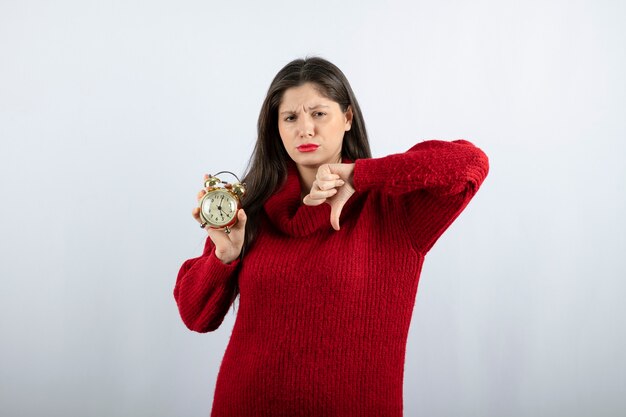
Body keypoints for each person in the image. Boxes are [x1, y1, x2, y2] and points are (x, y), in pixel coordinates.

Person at [174, 57, 489, 417]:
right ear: (275, 128)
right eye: (290, 118)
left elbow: (471, 162)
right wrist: (224, 257)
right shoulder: (248, 207)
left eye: (319, 114)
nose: (305, 129)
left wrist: (359, 176)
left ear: (348, 118)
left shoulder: (392, 209)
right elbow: (195, 315)